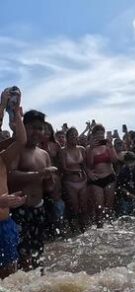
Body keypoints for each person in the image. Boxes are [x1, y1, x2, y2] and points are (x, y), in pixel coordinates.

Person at [8, 110, 59, 271]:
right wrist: (39, 174)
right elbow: (10, 176)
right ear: (23, 127)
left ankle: (37, 290)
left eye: (40, 128)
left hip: (39, 208)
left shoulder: (44, 154)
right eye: (32, 127)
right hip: (19, 210)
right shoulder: (17, 149)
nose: (37, 132)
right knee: (23, 256)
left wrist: (50, 180)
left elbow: (48, 187)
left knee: (39, 253)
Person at [0, 102, 27, 278]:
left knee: (10, 277)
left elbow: (21, 140)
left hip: (5, 224)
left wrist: (16, 112)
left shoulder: (2, 158)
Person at [59, 127, 90, 230]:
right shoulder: (63, 151)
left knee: (84, 206)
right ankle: (75, 227)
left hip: (83, 180)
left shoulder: (82, 149)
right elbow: (63, 168)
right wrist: (74, 172)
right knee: (75, 207)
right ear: (67, 137)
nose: (74, 137)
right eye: (72, 135)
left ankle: (84, 228)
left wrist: (89, 175)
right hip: (70, 182)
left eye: (76, 135)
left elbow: (85, 166)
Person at [85, 124, 117, 223]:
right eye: (98, 134)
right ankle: (99, 227)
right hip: (96, 179)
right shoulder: (89, 148)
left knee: (109, 206)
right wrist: (91, 149)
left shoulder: (108, 146)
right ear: (93, 135)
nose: (100, 136)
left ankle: (110, 227)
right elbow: (89, 164)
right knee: (99, 207)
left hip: (109, 177)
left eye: (102, 134)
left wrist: (111, 147)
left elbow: (114, 160)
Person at [116, 151, 135, 216]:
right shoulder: (123, 172)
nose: (130, 164)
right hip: (125, 199)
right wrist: (130, 195)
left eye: (132, 162)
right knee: (125, 216)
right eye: (128, 162)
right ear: (125, 162)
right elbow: (120, 187)